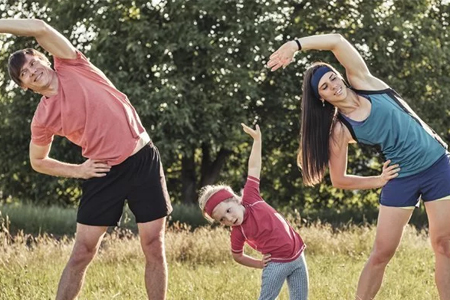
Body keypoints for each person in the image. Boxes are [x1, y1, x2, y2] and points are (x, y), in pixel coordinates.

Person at [267, 33, 450, 299]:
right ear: (321, 99)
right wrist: (377, 180)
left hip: (438, 166)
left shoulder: (364, 83)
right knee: (381, 253)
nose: (333, 86)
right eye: (325, 88)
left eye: (332, 78)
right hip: (401, 178)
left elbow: (337, 42)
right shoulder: (340, 130)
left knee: (444, 245)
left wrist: (295, 45)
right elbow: (339, 179)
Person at [1, 19, 172, 300]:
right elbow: (38, 161)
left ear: (44, 58)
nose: (32, 71)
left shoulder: (71, 64)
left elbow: (39, 28)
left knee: (153, 244)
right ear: (24, 86)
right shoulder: (42, 119)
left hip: (142, 160)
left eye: (33, 63)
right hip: (102, 173)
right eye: (25, 74)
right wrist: (79, 171)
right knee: (82, 252)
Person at [198, 123, 309, 300]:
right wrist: (258, 264)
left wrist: (257, 140)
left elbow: (254, 167)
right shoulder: (237, 232)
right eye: (222, 220)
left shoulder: (251, 197)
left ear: (235, 199)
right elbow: (237, 256)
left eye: (228, 210)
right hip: (276, 265)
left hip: (297, 255)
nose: (228, 218)